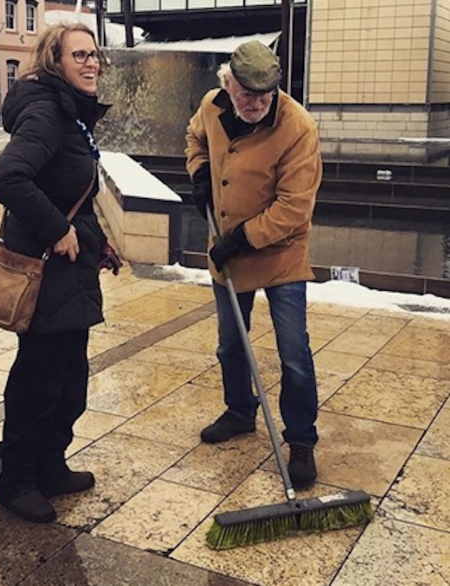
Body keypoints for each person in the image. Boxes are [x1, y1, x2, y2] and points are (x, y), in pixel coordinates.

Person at [0, 23, 122, 523]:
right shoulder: (46, 111)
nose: (91, 63)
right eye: (79, 55)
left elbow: (70, 195)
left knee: (70, 379)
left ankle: (49, 464)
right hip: (45, 275)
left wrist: (95, 243)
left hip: (69, 273)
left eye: (94, 55)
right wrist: (55, 231)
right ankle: (15, 478)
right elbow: (8, 178)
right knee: (40, 380)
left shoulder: (68, 112)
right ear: (56, 62)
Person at [185, 41, 322, 489]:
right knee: (230, 345)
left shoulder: (297, 126)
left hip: (279, 254)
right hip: (228, 252)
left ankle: (300, 441)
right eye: (247, 94)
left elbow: (293, 208)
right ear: (228, 84)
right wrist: (199, 172)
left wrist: (241, 239)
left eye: (265, 95)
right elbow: (195, 137)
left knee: (294, 355)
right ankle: (240, 412)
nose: (257, 104)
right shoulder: (212, 105)